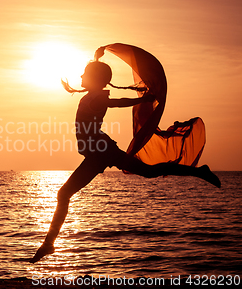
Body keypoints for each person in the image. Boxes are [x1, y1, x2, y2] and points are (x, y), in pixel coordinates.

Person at [29, 60, 221, 263]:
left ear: (96, 79)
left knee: (64, 193)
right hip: (101, 151)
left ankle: (49, 243)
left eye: (85, 73)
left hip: (100, 152)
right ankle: (200, 172)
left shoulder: (97, 98)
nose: (81, 77)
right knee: (148, 171)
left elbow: (117, 102)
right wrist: (97, 56)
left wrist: (142, 100)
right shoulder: (92, 96)